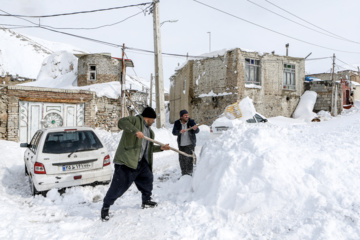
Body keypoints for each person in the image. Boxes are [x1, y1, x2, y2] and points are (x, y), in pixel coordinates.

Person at [101, 107, 170, 221]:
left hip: (140, 162)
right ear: (148, 117)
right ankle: (105, 208)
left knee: (147, 179)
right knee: (118, 187)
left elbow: (149, 148)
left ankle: (146, 201)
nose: (154, 121)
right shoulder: (135, 120)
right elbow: (122, 122)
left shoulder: (150, 132)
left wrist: (161, 148)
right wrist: (135, 131)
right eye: (153, 119)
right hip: (126, 161)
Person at [172, 109, 199, 176]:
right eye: (185, 115)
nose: (187, 116)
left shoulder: (191, 122)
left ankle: (190, 173)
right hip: (181, 145)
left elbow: (197, 131)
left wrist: (195, 128)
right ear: (181, 117)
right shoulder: (177, 123)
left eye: (187, 115)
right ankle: (184, 174)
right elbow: (174, 132)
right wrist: (179, 132)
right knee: (182, 160)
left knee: (189, 159)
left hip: (190, 144)